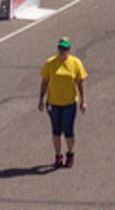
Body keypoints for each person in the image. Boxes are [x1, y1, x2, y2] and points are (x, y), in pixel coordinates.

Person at [37, 38, 87, 169]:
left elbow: (81, 82)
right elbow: (44, 81)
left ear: (69, 50)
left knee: (69, 131)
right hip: (53, 103)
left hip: (69, 103)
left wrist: (83, 101)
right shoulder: (50, 63)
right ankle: (58, 156)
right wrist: (41, 99)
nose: (62, 51)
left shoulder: (75, 63)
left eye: (65, 49)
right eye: (60, 48)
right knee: (56, 130)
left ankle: (70, 153)